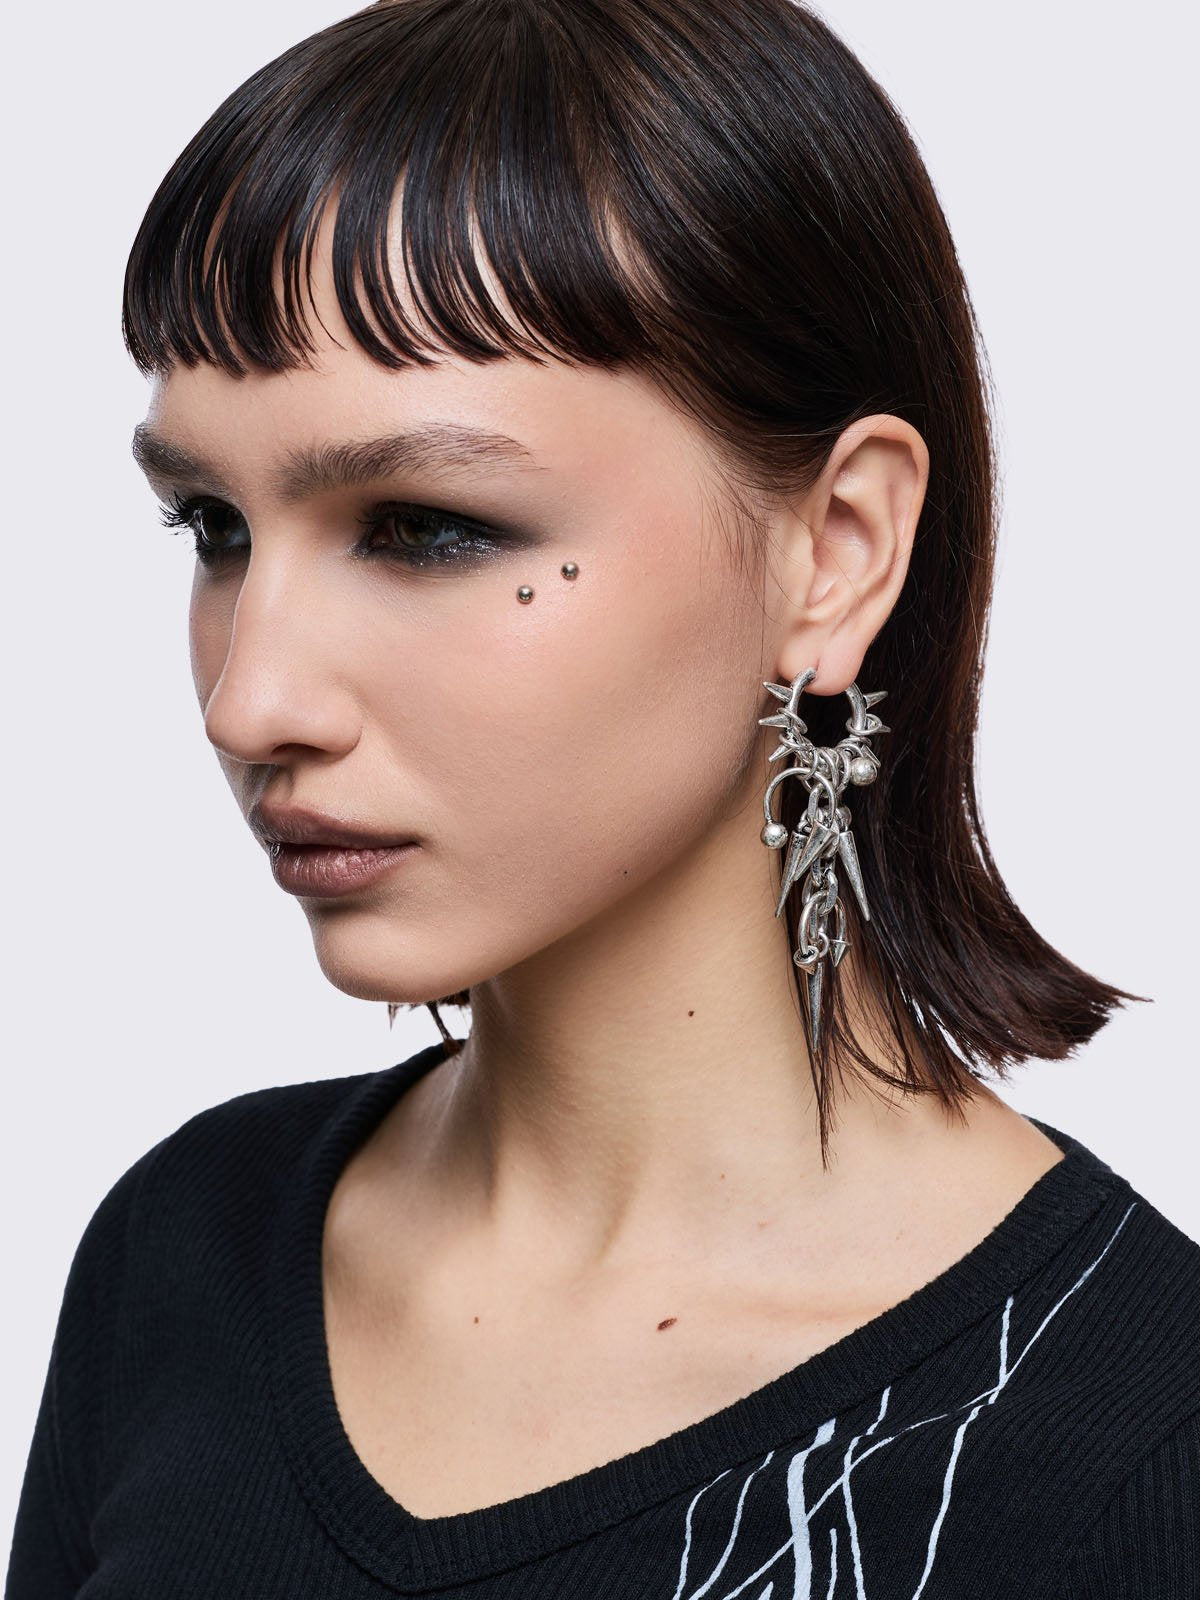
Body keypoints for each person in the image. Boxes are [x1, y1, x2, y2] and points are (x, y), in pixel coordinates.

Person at [7, 0, 1198, 1594]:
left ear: (835, 552)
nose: (251, 701)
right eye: (213, 527)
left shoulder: (1138, 1443)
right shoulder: (183, 1255)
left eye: (425, 527)